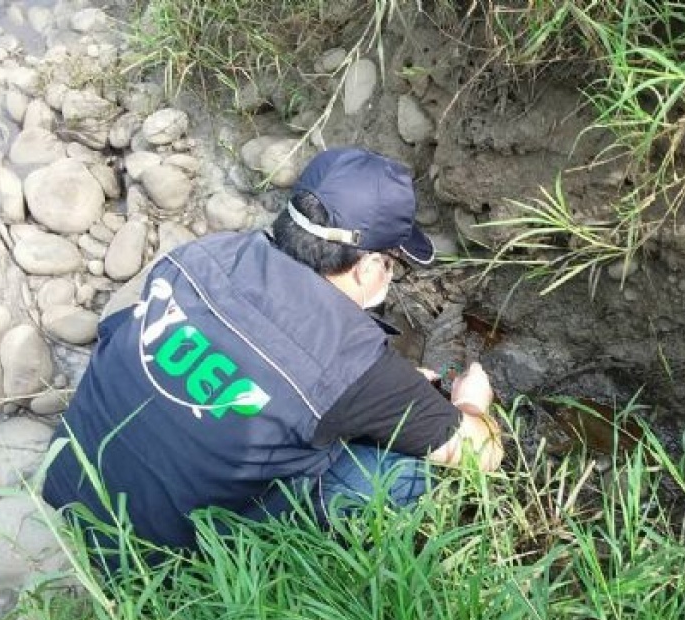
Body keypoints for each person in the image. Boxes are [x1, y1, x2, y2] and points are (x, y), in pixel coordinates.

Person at [42, 147, 504, 569]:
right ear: (366, 267)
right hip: (148, 565)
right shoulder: (351, 359)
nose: (389, 275)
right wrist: (472, 405)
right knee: (406, 470)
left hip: (66, 481)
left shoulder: (207, 252)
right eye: (391, 264)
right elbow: (481, 453)